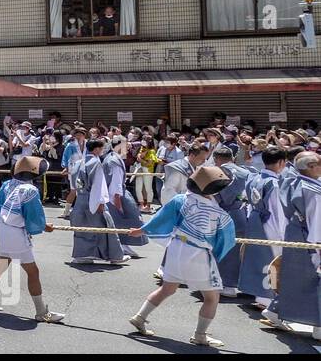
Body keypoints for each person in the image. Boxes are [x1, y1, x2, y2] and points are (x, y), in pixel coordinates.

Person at [127, 166, 237, 348]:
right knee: (212, 297)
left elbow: (160, 218)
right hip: (199, 254)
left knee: (167, 288)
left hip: (176, 248)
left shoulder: (180, 200)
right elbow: (226, 239)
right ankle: (200, 335)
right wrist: (217, 253)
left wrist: (141, 230)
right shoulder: (219, 214)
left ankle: (140, 316)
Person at [0, 155, 65, 322]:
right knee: (33, 272)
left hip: (4, 230)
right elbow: (33, 215)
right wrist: (44, 226)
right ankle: (41, 312)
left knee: (0, 265)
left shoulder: (8, 184)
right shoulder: (30, 190)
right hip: (16, 233)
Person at [263, 151, 320, 340]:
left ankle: (275, 310)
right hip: (309, 236)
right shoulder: (313, 190)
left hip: (294, 231)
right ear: (310, 166)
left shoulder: (290, 180)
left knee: (293, 276)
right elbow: (316, 220)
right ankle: (319, 326)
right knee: (314, 279)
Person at [240, 147, 290, 313]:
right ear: (282, 162)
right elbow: (278, 213)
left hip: (254, 220)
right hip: (270, 224)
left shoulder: (253, 178)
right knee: (273, 261)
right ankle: (269, 298)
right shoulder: (274, 184)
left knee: (257, 258)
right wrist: (284, 234)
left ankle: (260, 295)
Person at [68, 139, 127, 265]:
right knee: (106, 228)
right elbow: (98, 186)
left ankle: (83, 255)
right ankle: (115, 256)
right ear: (96, 149)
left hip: (80, 200)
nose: (102, 150)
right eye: (101, 148)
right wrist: (100, 203)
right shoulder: (95, 163)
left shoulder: (78, 163)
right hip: (93, 199)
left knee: (82, 229)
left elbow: (73, 183)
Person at [209, 145, 254, 298]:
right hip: (241, 212)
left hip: (221, 214)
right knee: (238, 251)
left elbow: (210, 197)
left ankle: (224, 284)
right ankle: (238, 283)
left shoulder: (215, 172)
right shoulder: (247, 172)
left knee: (221, 249)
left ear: (216, 159)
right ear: (232, 158)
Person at [105, 135, 147, 259]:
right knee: (128, 219)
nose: (128, 148)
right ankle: (122, 244)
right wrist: (118, 203)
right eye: (125, 146)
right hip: (116, 195)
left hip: (116, 194)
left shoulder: (111, 158)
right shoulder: (115, 162)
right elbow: (115, 185)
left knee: (121, 221)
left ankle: (124, 244)